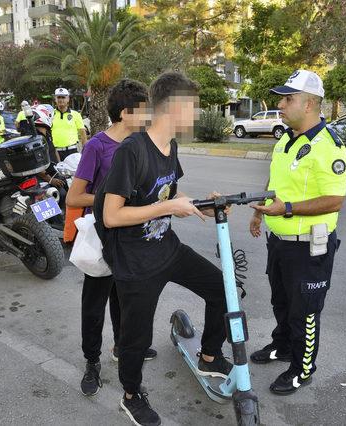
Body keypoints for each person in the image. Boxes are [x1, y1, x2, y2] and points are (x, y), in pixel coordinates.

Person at [100, 72, 231, 426]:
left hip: (167, 248)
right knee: (135, 338)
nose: (198, 115)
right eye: (194, 108)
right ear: (174, 108)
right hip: (136, 262)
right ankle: (131, 395)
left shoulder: (170, 147)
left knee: (223, 289)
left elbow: (167, 195)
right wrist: (168, 208)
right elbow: (112, 215)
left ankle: (209, 355)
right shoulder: (133, 150)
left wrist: (203, 206)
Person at [248, 70, 346, 396]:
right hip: (279, 242)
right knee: (281, 301)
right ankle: (283, 347)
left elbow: (335, 200)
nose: (280, 105)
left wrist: (287, 209)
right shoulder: (285, 139)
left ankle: (302, 369)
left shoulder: (329, 147)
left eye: (287, 99)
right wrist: (259, 211)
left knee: (305, 310)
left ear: (309, 104)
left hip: (309, 247)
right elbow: (275, 184)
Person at [65, 79, 158, 397]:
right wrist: (113, 198)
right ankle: (92, 362)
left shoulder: (143, 143)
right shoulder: (97, 146)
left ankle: (122, 347)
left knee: (127, 300)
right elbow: (74, 198)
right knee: (94, 306)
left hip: (133, 238)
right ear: (125, 113)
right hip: (103, 238)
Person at [51, 88, 87, 160]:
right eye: (58, 97)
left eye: (63, 97)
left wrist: (85, 152)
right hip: (55, 152)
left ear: (68, 99)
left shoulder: (75, 114)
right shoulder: (50, 114)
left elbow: (83, 134)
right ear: (55, 99)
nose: (61, 100)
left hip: (72, 151)